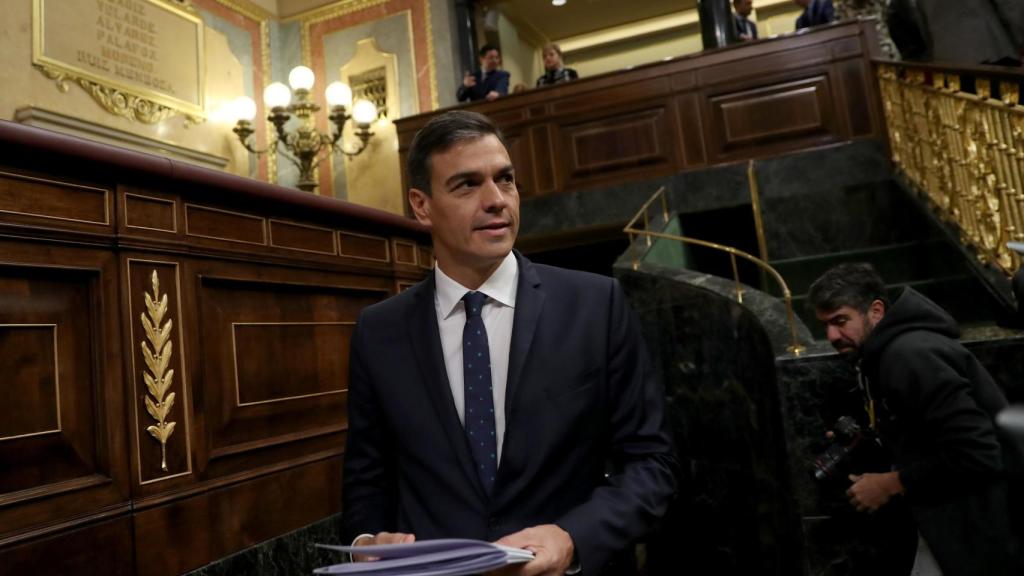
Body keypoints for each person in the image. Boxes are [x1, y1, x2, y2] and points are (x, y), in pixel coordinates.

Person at [342, 110, 678, 576]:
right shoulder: (379, 331)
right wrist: (366, 543)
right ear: (421, 206)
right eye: (467, 185)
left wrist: (572, 537)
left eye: (505, 179)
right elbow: (366, 483)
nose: (497, 200)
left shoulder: (594, 305)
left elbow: (652, 465)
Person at [809, 263, 1018, 576]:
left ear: (876, 311)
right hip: (956, 526)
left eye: (840, 321)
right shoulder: (886, 354)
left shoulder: (909, 356)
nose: (832, 336)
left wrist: (891, 483)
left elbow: (977, 451)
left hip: (980, 528)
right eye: (825, 325)